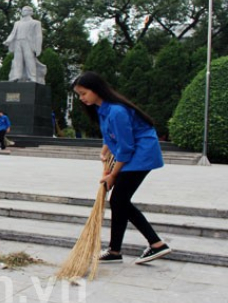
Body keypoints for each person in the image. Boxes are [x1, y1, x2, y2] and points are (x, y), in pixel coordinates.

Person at [72, 71, 171, 264]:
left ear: (96, 90)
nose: (81, 98)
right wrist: (105, 149)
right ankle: (115, 251)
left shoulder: (117, 111)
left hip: (141, 155)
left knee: (119, 199)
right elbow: (112, 135)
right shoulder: (103, 109)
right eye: (79, 95)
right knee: (119, 201)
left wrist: (112, 174)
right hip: (132, 153)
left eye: (83, 93)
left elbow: (126, 147)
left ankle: (157, 243)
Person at [3, 6, 47, 83]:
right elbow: (13, 33)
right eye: (22, 10)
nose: (23, 11)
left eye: (25, 10)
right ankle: (16, 76)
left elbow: (38, 35)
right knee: (17, 60)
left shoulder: (35, 23)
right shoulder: (17, 23)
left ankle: (32, 77)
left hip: (28, 43)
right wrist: (8, 40)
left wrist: (38, 48)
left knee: (29, 60)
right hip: (18, 42)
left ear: (31, 12)